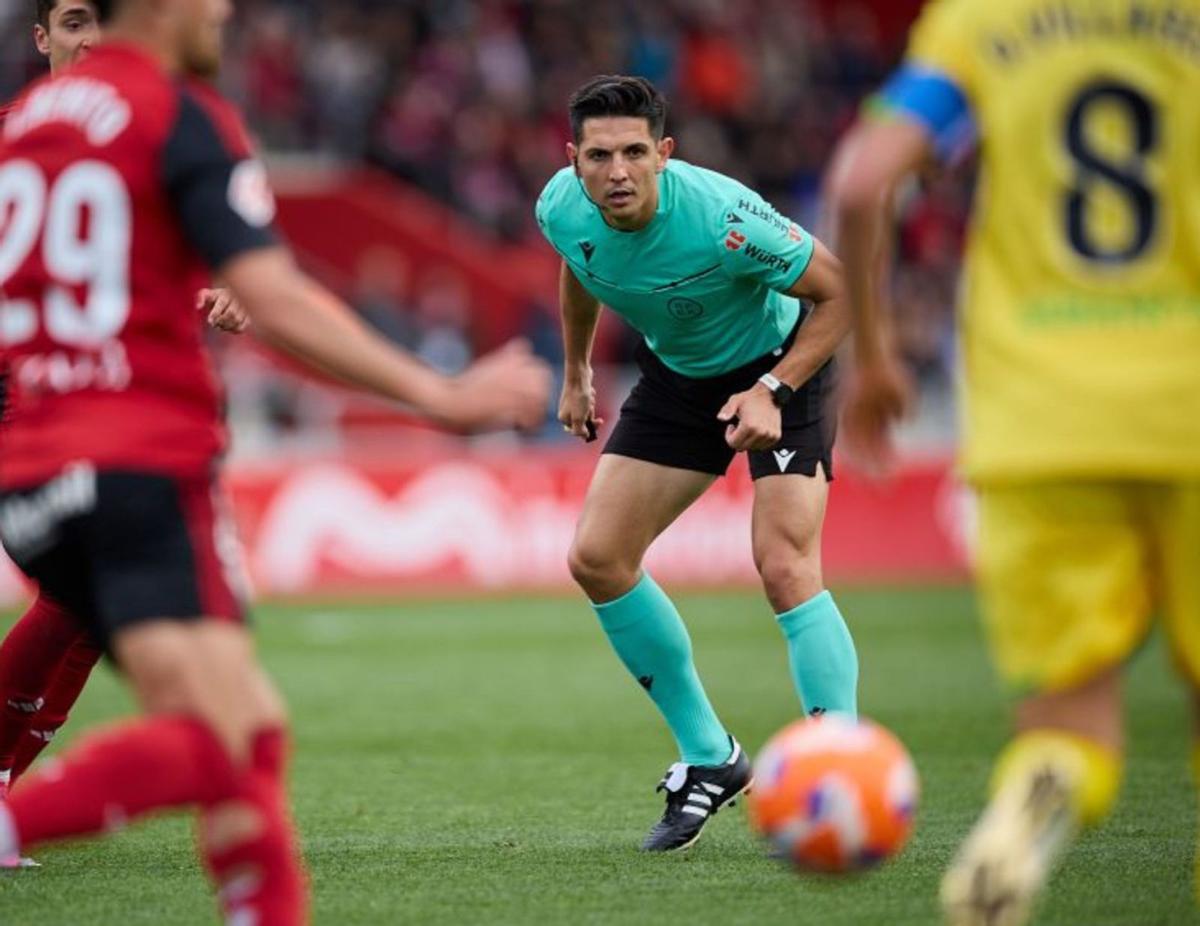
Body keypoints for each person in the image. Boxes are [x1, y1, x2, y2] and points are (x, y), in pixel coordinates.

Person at [0, 0, 549, 921]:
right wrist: (440, 396)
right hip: (134, 460)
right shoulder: (178, 112)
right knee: (228, 738)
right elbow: (282, 300)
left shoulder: (25, 130)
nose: (223, 10)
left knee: (241, 741)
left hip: (33, 467)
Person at [825, 1, 1200, 922]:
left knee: (1069, 728)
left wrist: (873, 358)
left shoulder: (984, 18)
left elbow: (865, 181)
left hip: (1039, 418)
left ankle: (1031, 808)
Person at [536, 75, 855, 853]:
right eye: (600, 155)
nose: (618, 172)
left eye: (636, 153)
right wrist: (576, 371)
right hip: (681, 380)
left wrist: (773, 388)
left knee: (782, 562)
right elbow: (581, 271)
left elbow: (840, 293)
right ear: (573, 159)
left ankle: (841, 765)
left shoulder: (726, 218)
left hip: (785, 365)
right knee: (598, 558)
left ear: (665, 155)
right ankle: (712, 757)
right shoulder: (560, 207)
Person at [0, 0, 247, 827]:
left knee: (89, 610)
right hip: (29, 400)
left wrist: (211, 291)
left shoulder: (143, 135)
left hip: (97, 409)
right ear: (41, 38)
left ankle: (9, 790)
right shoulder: (18, 137)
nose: (91, 40)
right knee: (92, 602)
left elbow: (157, 268)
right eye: (72, 22)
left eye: (101, 21)